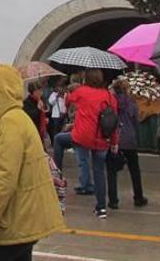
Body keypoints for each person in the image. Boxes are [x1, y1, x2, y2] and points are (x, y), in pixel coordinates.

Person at [0, 64, 65, 261]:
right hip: (19, 222)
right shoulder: (12, 119)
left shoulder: (9, 123)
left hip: (10, 226)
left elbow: (3, 182)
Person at [64, 69, 118, 218]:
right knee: (99, 172)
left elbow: (68, 101)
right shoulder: (109, 96)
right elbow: (113, 121)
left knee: (60, 141)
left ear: (85, 79)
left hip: (82, 136)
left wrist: (72, 91)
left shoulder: (82, 91)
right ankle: (101, 208)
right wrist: (114, 142)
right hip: (101, 139)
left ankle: (59, 174)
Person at [106, 77, 147, 209]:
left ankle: (113, 200)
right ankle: (138, 197)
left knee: (112, 171)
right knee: (134, 170)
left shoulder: (110, 103)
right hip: (129, 139)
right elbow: (136, 122)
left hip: (114, 139)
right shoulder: (132, 104)